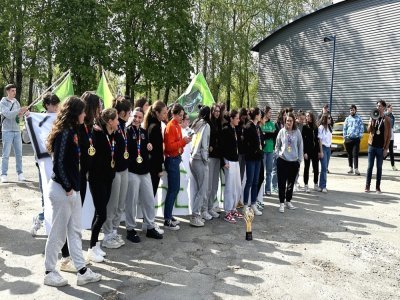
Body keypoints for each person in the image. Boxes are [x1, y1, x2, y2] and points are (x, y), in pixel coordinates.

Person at [44, 96, 101, 287]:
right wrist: (68, 187)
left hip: (72, 191)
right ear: (75, 113)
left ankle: (82, 271)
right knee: (58, 234)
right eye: (83, 111)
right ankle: (49, 271)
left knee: (75, 232)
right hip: (62, 191)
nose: (86, 114)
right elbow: (58, 163)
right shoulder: (64, 133)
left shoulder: (74, 131)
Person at [125, 108, 164, 242]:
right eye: (135, 116)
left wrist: (149, 147)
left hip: (145, 171)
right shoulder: (127, 131)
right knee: (132, 201)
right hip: (132, 172)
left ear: (143, 119)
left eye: (140, 117)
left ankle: (149, 227)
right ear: (131, 116)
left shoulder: (143, 132)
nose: (137, 119)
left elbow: (146, 147)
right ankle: (130, 229)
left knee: (149, 200)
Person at [87, 108, 118, 263]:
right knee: (102, 215)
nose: (118, 122)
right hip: (97, 178)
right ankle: (91, 248)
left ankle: (94, 245)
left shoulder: (112, 135)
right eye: (116, 119)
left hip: (108, 178)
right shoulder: (98, 133)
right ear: (110, 121)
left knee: (98, 214)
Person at [101, 97, 132, 249]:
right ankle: (107, 234)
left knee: (121, 203)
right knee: (112, 204)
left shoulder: (125, 125)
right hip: (114, 170)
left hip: (124, 168)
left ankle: (114, 230)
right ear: (122, 112)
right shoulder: (112, 125)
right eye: (129, 112)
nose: (130, 114)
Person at [30, 93, 60, 237]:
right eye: (54, 105)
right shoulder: (38, 119)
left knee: (57, 194)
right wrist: (28, 118)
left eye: (57, 105)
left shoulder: (59, 119)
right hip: (43, 162)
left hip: (58, 162)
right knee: (46, 194)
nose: (56, 108)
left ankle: (53, 225)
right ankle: (41, 219)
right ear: (47, 105)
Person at [163, 104, 191, 230]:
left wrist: (183, 144)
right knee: (173, 189)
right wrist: (184, 142)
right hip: (172, 159)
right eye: (180, 115)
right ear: (174, 114)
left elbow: (178, 145)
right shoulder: (171, 126)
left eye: (182, 115)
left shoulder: (176, 126)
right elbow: (169, 147)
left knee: (174, 189)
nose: (181, 117)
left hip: (176, 158)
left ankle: (169, 215)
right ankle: (167, 218)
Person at [275, 112, 303, 213]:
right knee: (282, 183)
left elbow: (300, 146)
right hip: (282, 161)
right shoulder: (282, 132)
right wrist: (278, 155)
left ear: (293, 121)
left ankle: (288, 201)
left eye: (291, 121)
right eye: (287, 121)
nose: (289, 123)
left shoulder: (297, 132)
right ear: (285, 121)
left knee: (291, 183)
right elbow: (277, 145)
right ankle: (281, 203)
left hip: (293, 162)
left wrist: (299, 160)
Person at [0, 84, 29, 183]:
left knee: (19, 154)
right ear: (7, 91)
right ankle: (3, 174)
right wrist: (19, 111)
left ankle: (20, 173)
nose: (14, 92)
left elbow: (18, 118)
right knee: (6, 154)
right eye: (12, 91)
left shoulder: (16, 102)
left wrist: (22, 114)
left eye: (15, 91)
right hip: (7, 131)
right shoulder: (3, 102)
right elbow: (7, 114)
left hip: (17, 131)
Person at [220, 110, 243, 223]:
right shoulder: (225, 130)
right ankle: (227, 211)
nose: (239, 120)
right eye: (237, 118)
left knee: (237, 186)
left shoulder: (235, 129)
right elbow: (222, 147)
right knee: (229, 187)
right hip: (228, 161)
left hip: (235, 161)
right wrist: (223, 162)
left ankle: (233, 208)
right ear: (231, 119)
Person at [189, 106, 211, 226]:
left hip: (192, 158)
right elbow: (204, 145)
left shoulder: (195, 124)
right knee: (202, 189)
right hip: (199, 159)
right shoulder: (206, 126)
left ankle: (197, 214)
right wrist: (206, 160)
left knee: (198, 189)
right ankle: (195, 216)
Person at [365, 100, 391, 193]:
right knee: (369, 167)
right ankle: (367, 186)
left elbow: (389, 136)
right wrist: (372, 121)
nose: (378, 107)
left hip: (381, 148)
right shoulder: (373, 116)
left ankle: (377, 187)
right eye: (377, 106)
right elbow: (368, 130)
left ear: (384, 107)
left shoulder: (387, 120)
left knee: (379, 167)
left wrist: (386, 149)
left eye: (380, 106)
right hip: (371, 146)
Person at [143, 100, 168, 196]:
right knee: (151, 194)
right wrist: (159, 169)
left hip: (151, 164)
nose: (166, 115)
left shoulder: (152, 124)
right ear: (157, 113)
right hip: (154, 166)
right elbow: (157, 150)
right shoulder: (155, 127)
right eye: (164, 113)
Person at [243, 107, 263, 216]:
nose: (261, 116)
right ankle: (246, 205)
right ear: (256, 115)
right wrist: (254, 149)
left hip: (258, 158)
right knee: (249, 181)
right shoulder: (248, 127)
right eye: (259, 114)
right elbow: (246, 143)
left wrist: (260, 148)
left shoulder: (258, 127)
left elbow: (261, 141)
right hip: (251, 158)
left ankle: (253, 204)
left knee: (256, 182)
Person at [207, 104, 222, 218]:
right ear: (212, 112)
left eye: (218, 111)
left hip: (218, 156)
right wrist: (209, 146)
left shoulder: (218, 123)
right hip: (211, 156)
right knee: (209, 184)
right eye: (215, 111)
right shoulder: (209, 124)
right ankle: (206, 208)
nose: (217, 113)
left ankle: (211, 207)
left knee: (215, 184)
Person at [301, 111, 320, 193]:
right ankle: (306, 185)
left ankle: (316, 184)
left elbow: (317, 140)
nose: (308, 117)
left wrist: (319, 151)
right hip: (307, 151)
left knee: (316, 168)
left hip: (315, 151)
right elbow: (303, 141)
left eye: (309, 116)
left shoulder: (316, 127)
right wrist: (304, 152)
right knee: (306, 168)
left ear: (312, 117)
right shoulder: (304, 127)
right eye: (307, 116)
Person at [343, 104, 364, 175]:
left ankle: (356, 169)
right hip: (348, 139)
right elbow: (345, 128)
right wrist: (345, 136)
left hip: (356, 139)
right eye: (351, 110)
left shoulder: (359, 118)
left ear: (355, 110)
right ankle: (351, 168)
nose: (352, 111)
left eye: (353, 110)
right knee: (349, 154)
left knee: (355, 154)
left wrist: (360, 135)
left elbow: (362, 128)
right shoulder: (347, 119)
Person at [260, 106, 275, 196]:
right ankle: (260, 190)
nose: (271, 114)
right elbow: (262, 136)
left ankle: (268, 189)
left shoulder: (272, 124)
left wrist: (267, 134)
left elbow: (274, 135)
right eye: (269, 113)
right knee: (262, 171)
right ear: (265, 113)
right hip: (263, 150)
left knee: (269, 171)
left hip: (270, 150)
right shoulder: (262, 123)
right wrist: (268, 134)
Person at [318, 114, 332, 193]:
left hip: (328, 149)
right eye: (329, 118)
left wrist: (330, 148)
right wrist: (321, 151)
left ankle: (321, 185)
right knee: (324, 167)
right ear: (325, 119)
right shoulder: (321, 128)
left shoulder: (330, 128)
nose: (330, 119)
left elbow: (330, 139)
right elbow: (320, 140)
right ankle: (323, 186)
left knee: (325, 168)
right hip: (323, 148)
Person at [385, 103, 397, 171]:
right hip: (385, 135)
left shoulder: (393, 117)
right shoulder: (384, 115)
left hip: (391, 135)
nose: (392, 109)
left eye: (392, 108)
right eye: (391, 108)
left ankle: (393, 165)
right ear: (387, 108)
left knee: (391, 151)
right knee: (382, 150)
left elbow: (391, 126)